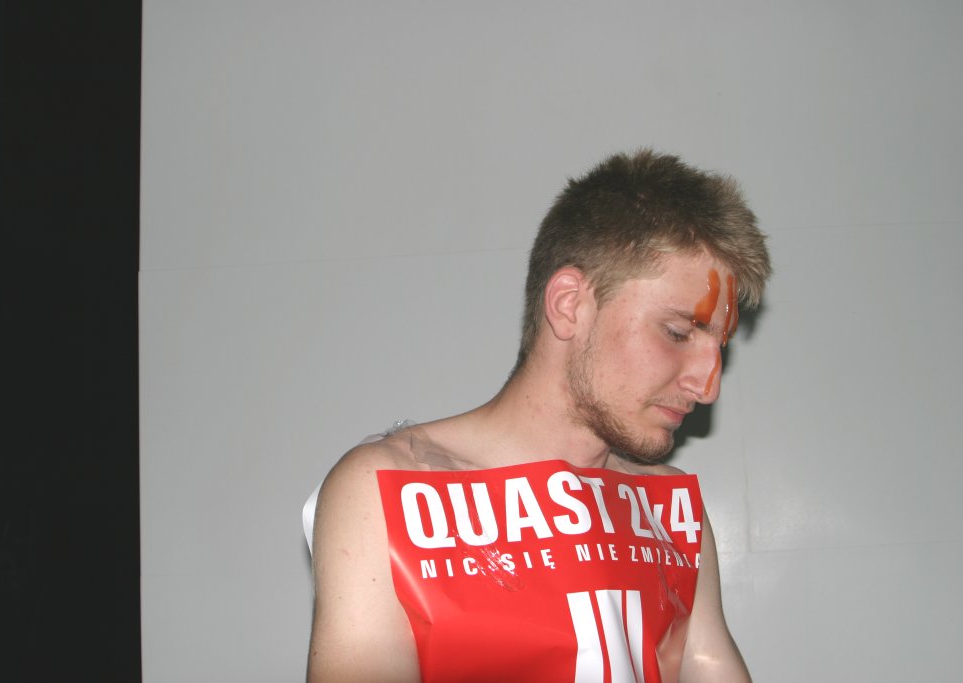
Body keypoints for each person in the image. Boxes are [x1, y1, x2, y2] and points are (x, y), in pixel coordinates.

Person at [306, 149, 771, 683]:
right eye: (678, 333)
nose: (708, 387)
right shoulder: (388, 489)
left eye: (719, 349)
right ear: (570, 304)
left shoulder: (667, 512)